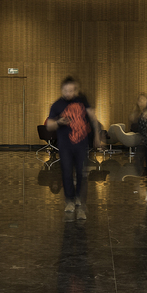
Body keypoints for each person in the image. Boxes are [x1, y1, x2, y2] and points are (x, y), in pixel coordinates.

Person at [46, 76, 98, 220]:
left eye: (71, 90)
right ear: (61, 90)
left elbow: (93, 118)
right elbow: (49, 125)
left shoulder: (82, 101)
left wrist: (97, 136)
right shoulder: (56, 105)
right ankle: (69, 200)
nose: (68, 93)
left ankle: (80, 200)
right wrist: (59, 122)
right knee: (67, 173)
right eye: (65, 90)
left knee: (82, 173)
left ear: (75, 90)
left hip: (81, 144)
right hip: (65, 145)